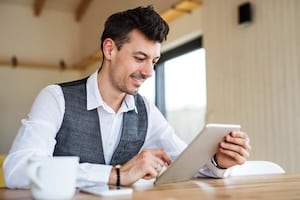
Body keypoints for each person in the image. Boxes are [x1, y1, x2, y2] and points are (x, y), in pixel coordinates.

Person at [4, 5, 251, 188]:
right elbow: (17, 169)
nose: (148, 72)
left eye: (154, 61)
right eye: (140, 58)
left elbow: (186, 163)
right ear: (109, 49)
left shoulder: (146, 111)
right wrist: (116, 175)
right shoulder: (56, 98)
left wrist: (219, 161)